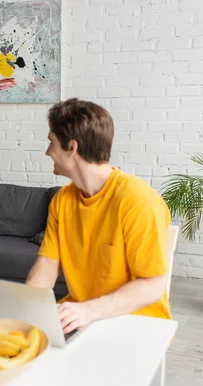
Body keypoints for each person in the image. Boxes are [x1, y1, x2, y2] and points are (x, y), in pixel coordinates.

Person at [26, 98, 171, 334]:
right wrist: (27, 306)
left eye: (51, 142)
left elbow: (153, 285)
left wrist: (86, 311)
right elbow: (48, 264)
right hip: (82, 315)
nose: (47, 152)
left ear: (72, 148)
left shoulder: (137, 200)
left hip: (137, 321)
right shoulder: (62, 200)